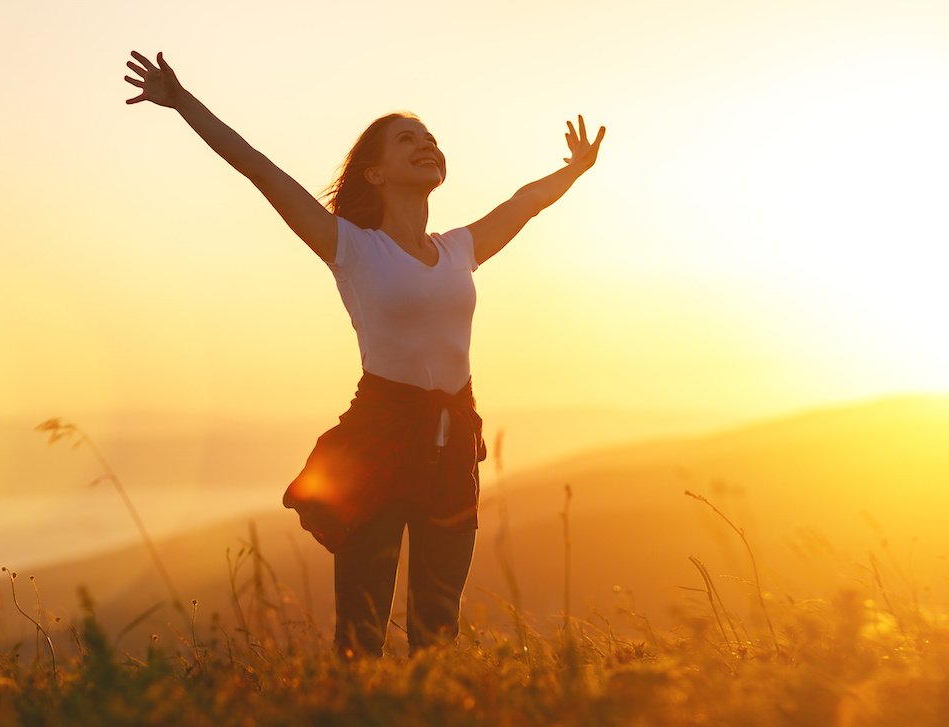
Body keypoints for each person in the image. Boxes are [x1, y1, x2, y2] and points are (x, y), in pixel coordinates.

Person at [123, 50, 605, 658]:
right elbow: (260, 170)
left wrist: (576, 170)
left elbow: (525, 202)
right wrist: (182, 101)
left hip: (454, 442)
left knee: (437, 626)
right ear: (374, 174)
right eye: (407, 140)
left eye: (430, 139)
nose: (426, 145)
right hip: (379, 436)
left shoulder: (461, 249)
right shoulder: (348, 246)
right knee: (361, 628)